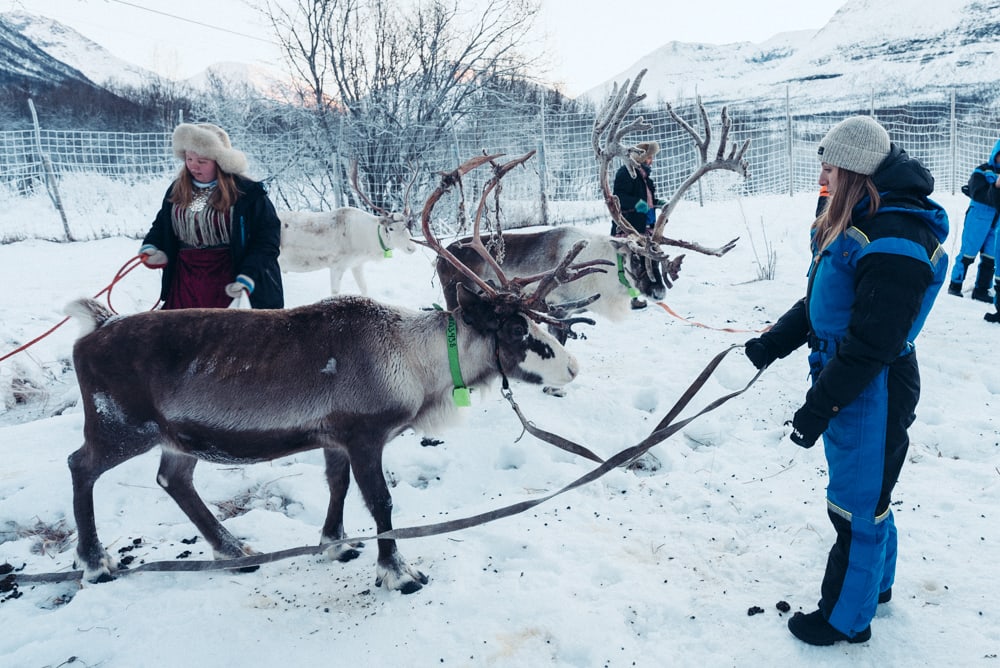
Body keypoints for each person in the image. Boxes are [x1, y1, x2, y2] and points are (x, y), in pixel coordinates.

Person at [743, 116, 949, 646]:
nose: (824, 180)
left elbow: (871, 344)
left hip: (869, 385)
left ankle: (843, 619)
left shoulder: (896, 240)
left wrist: (819, 407)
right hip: (854, 376)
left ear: (856, 172)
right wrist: (774, 342)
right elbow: (828, 302)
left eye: (830, 170)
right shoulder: (864, 221)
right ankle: (874, 587)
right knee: (871, 494)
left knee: (855, 507)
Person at [139, 122, 283, 309]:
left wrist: (249, 275)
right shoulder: (177, 190)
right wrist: (152, 247)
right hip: (186, 281)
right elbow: (162, 225)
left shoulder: (247, 194)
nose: (193, 166)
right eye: (189, 159)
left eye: (202, 161)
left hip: (230, 279)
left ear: (221, 162)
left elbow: (267, 239)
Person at [611, 140, 665, 309]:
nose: (652, 161)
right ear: (642, 158)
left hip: (645, 225)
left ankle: (643, 290)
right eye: (649, 157)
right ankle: (632, 297)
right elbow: (618, 197)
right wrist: (635, 203)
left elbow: (647, 198)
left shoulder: (645, 176)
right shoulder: (625, 173)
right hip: (630, 225)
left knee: (645, 261)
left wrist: (656, 202)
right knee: (631, 262)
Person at [947, 138, 1000, 302]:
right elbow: (978, 193)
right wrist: (996, 188)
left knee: (990, 257)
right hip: (978, 218)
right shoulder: (982, 171)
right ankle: (955, 285)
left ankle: (981, 289)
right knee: (968, 253)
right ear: (995, 155)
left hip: (996, 222)